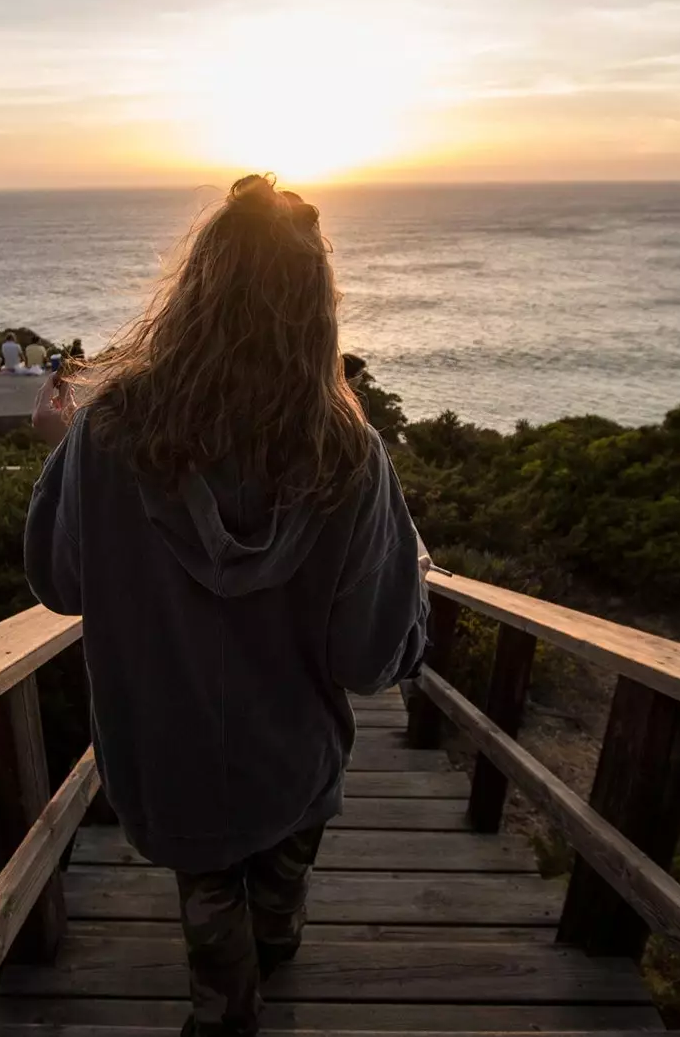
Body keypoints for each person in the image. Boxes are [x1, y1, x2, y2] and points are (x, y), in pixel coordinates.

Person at [25, 175, 429, 1037]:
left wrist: (65, 466)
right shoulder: (349, 455)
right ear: (317, 307)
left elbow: (59, 584)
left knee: (208, 890)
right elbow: (369, 658)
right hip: (291, 753)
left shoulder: (107, 437)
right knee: (280, 878)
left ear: (195, 289)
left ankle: (225, 1006)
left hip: (164, 754)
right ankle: (274, 948)